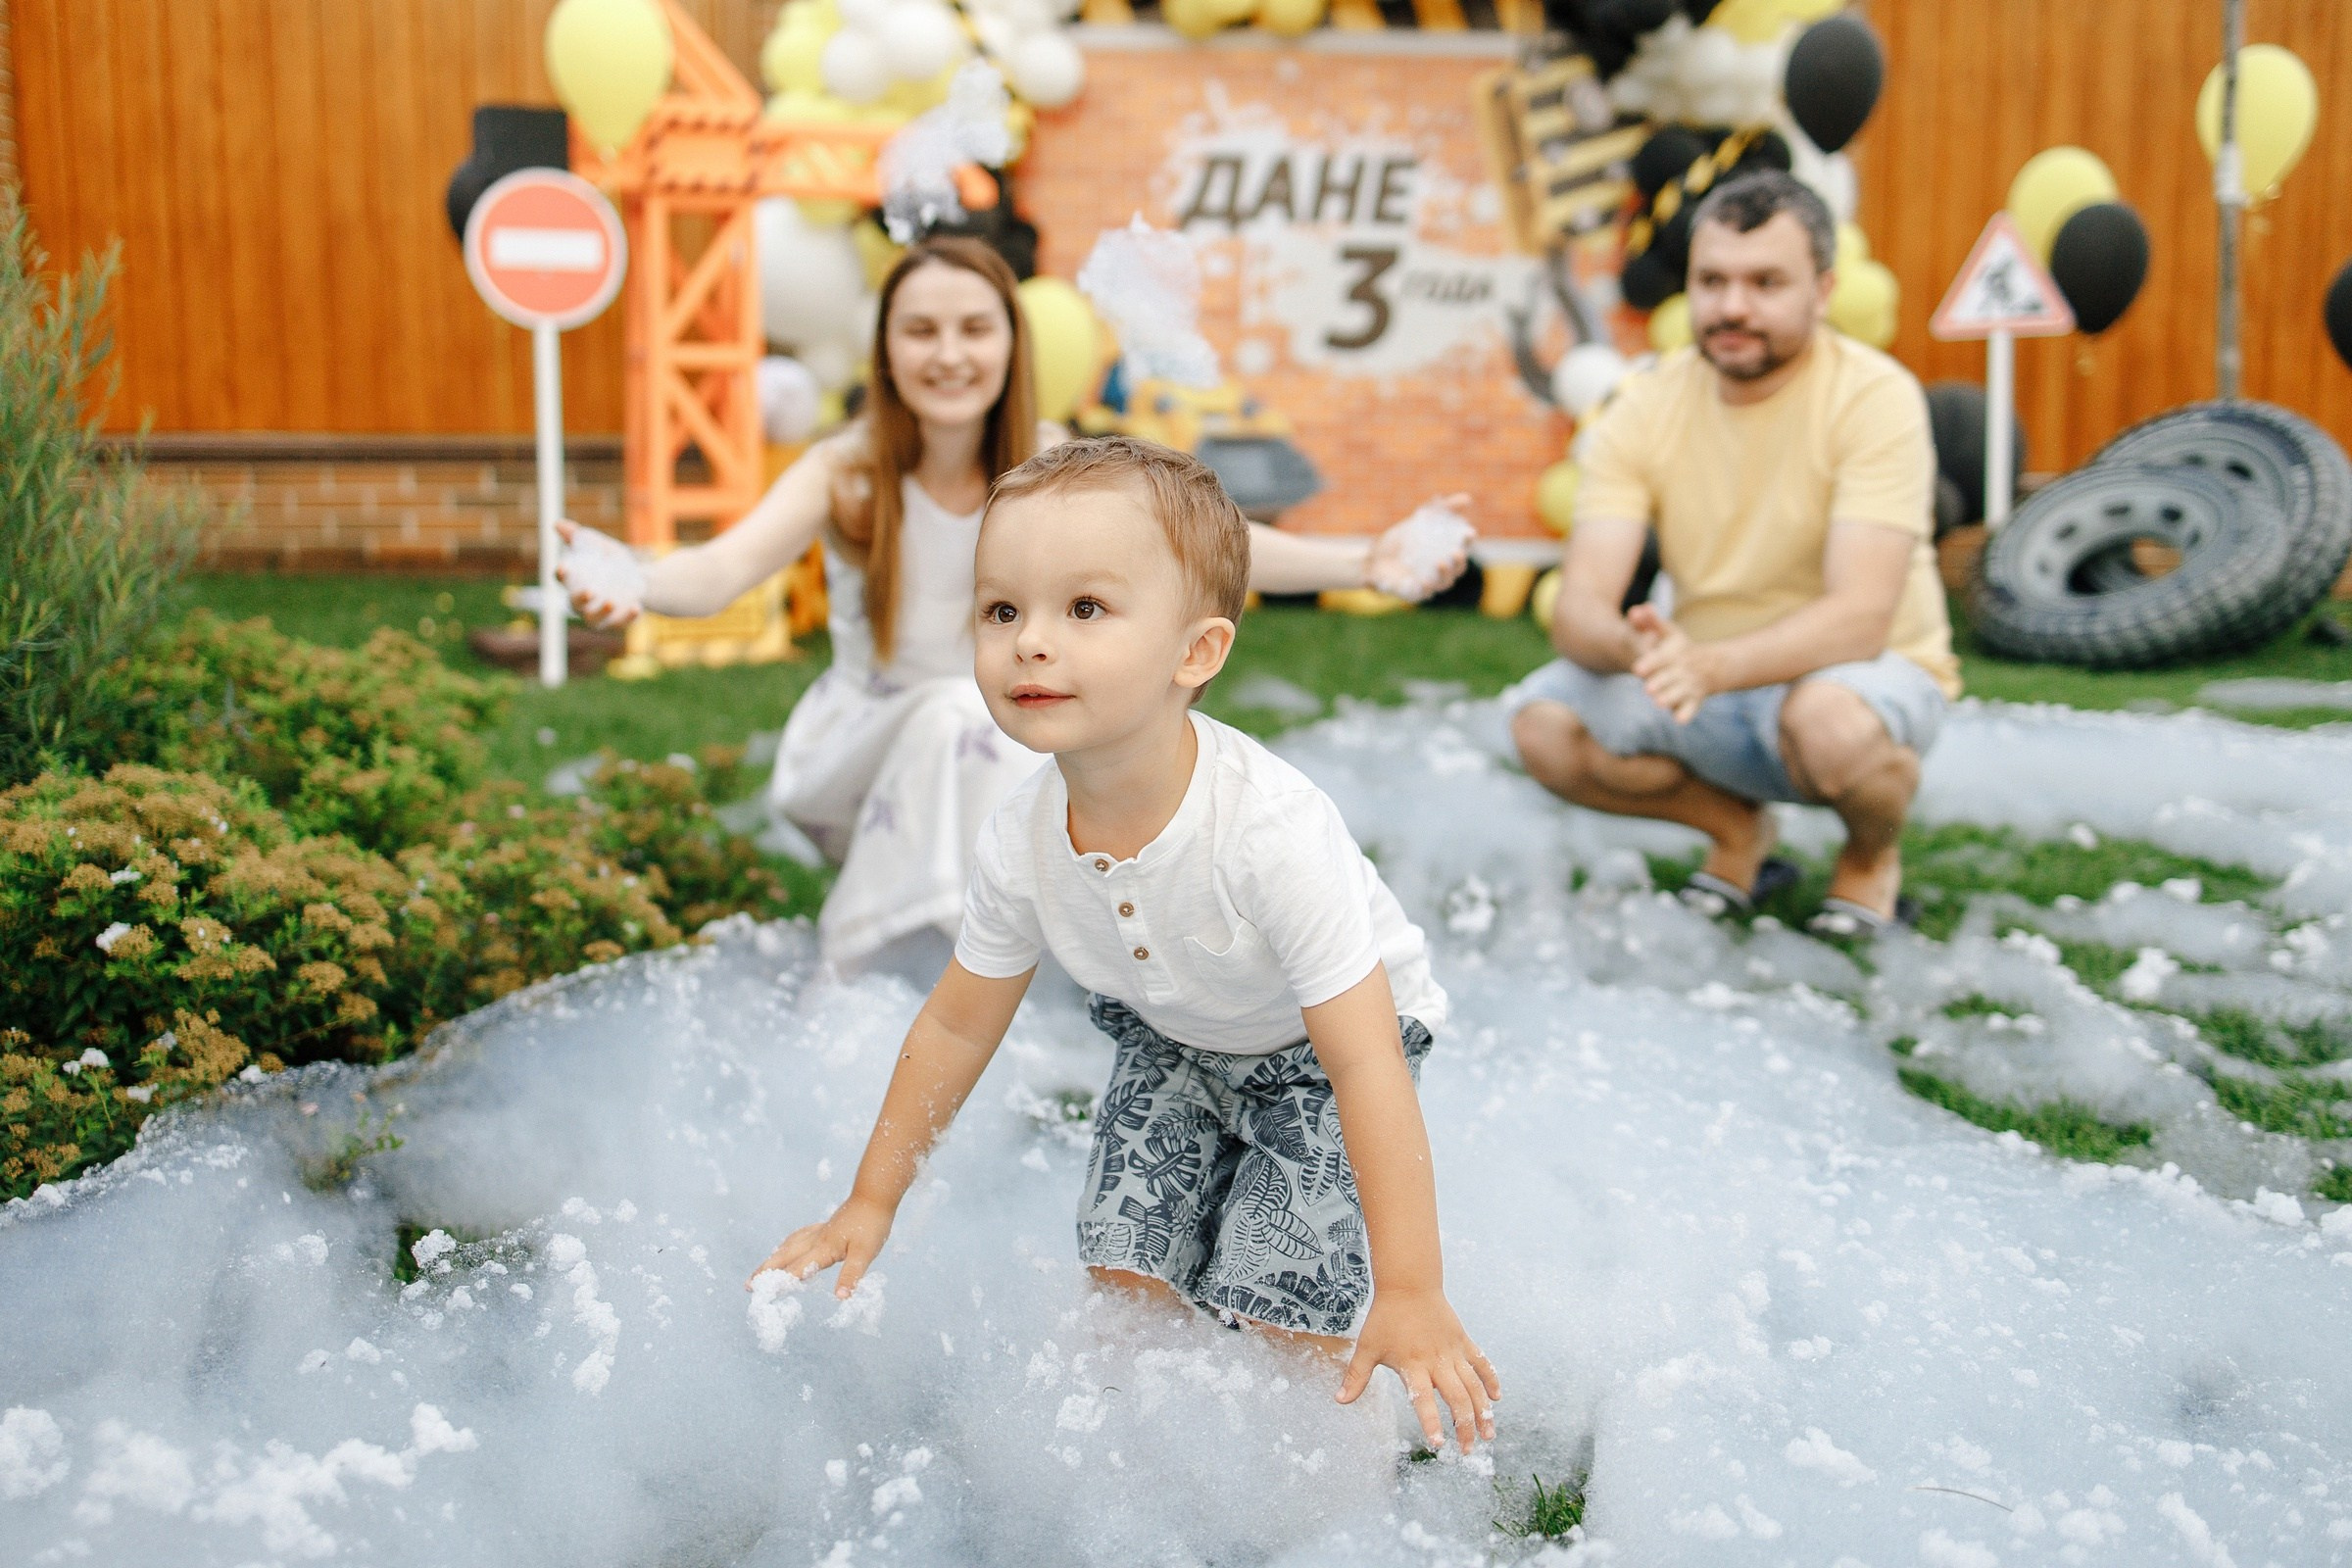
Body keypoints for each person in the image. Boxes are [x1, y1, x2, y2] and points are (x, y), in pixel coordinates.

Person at [750, 437, 1499, 1453]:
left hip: (1324, 1056)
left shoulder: (1269, 832)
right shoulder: (1019, 837)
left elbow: (1364, 1058)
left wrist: (1412, 1288)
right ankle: (1143, 1466)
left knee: (1286, 1295)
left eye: (1085, 609)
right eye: (1003, 609)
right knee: (1123, 1271)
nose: (1030, 643)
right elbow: (958, 1022)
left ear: (1196, 652)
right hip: (1176, 1035)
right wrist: (869, 1199)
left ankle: (1312, 1468)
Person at [560, 236, 1469, 968]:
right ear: (886, 349)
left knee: (1064, 735)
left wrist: (1364, 560)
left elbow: (1208, 544)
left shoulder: (1046, 463)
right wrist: (636, 578)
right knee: (963, 714)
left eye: (973, 329)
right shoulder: (846, 469)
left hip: (1004, 737)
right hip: (867, 752)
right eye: (920, 331)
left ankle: (1015, 982)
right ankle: (862, 970)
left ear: (1009, 344)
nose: (948, 354)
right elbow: (720, 572)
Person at [1507, 171, 1959, 937]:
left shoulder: (1874, 396)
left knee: (1831, 724)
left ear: (1822, 289)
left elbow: (1860, 619)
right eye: (1712, 281)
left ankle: (1869, 858)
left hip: (1856, 676)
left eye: (1765, 282)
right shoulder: (1643, 404)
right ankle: (1737, 831)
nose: (1733, 307)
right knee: (1542, 725)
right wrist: (1634, 645)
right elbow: (1580, 608)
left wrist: (1709, 666)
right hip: (1703, 680)